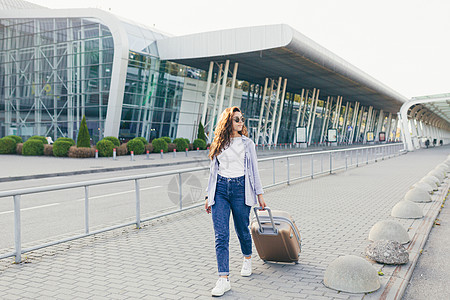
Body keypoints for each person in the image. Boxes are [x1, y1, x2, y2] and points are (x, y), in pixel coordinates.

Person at [205, 106, 266, 297]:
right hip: (220, 190)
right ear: (228, 122)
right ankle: (223, 279)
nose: (241, 122)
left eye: (242, 119)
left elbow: (254, 170)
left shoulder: (248, 144)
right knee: (221, 236)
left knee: (242, 230)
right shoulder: (219, 143)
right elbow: (212, 172)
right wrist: (209, 195)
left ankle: (247, 257)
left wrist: (260, 194)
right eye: (237, 119)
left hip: (241, 189)